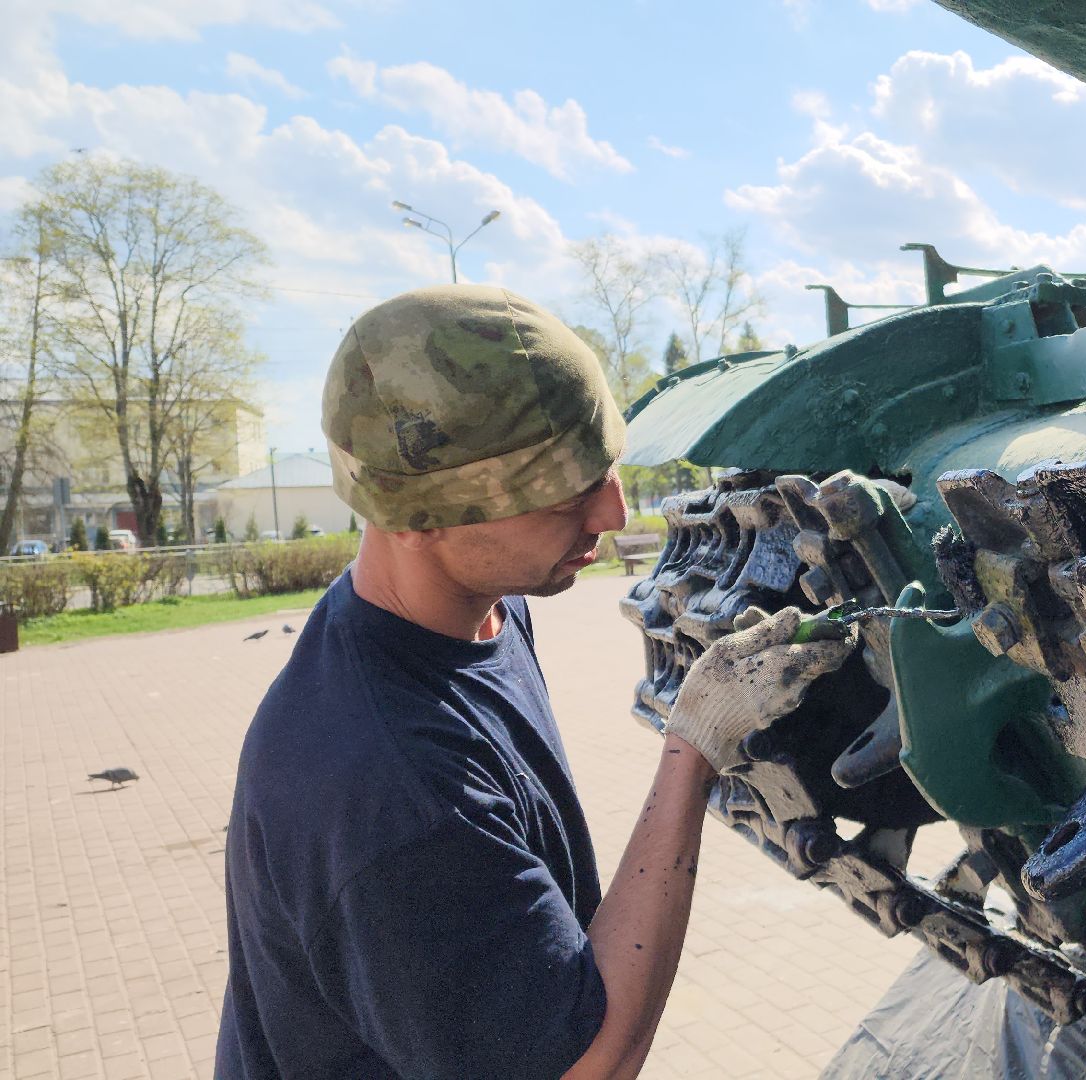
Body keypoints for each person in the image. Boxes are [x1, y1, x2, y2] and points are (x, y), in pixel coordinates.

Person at [215, 284, 855, 1079]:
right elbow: (584, 1063)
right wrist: (692, 749)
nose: (614, 513)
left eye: (606, 467)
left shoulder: (476, 617)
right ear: (425, 516)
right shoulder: (389, 786)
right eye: (562, 492)